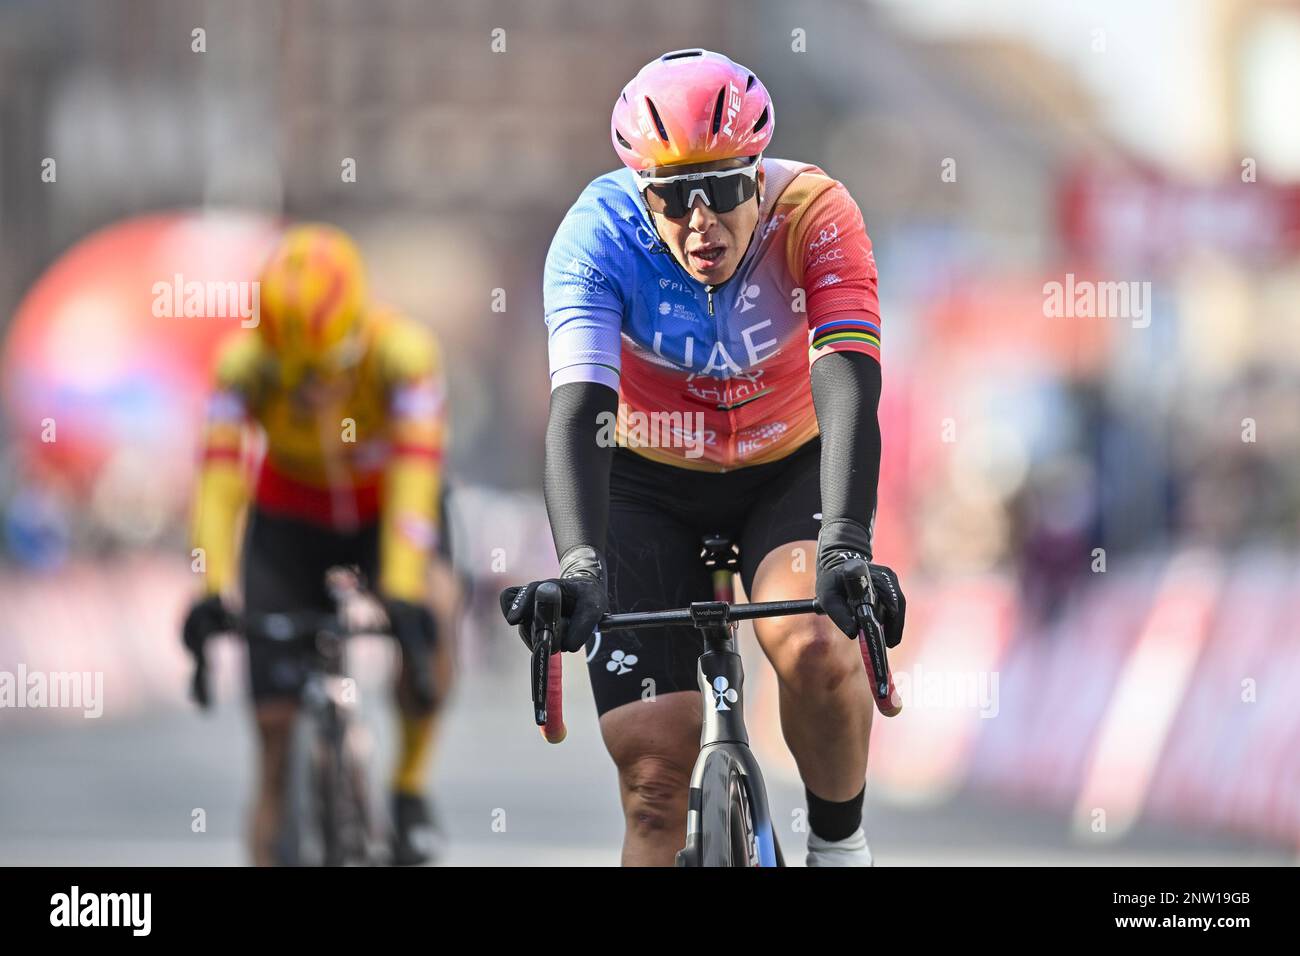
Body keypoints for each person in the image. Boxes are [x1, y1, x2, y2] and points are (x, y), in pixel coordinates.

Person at [501, 49, 906, 866]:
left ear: (757, 175)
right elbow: (581, 408)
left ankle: (839, 847)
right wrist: (580, 563)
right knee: (654, 772)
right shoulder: (596, 235)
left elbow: (850, 379)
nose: (698, 222)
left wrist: (847, 545)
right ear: (638, 192)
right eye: (670, 196)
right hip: (647, 483)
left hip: (784, 464)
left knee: (819, 647)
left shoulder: (817, 213)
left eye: (720, 190)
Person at [182, 223, 457, 866]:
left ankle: (409, 789)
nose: (313, 391)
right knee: (274, 740)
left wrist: (405, 590)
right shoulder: (241, 367)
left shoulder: (405, 353)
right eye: (294, 378)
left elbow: (418, 478)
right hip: (289, 519)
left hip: (384, 509)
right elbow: (220, 482)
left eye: (330, 372)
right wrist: (210, 586)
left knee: (435, 609)